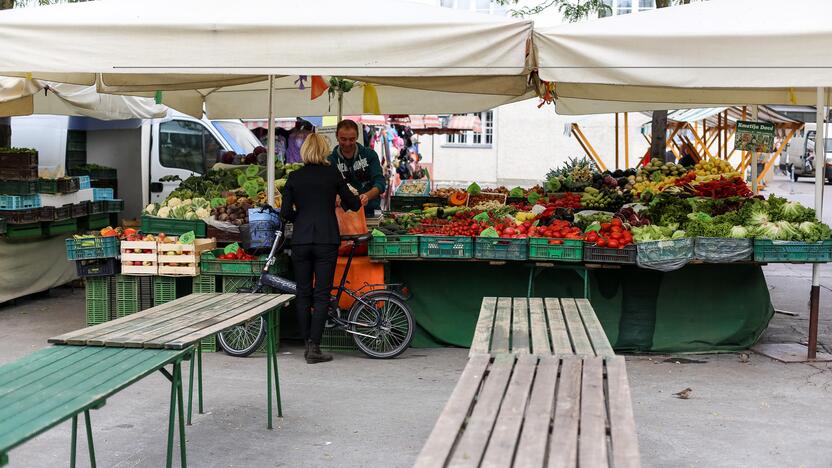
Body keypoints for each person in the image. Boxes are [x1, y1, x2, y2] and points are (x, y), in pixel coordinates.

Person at [281, 133, 361, 364]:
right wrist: (346, 200)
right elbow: (352, 203)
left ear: (305, 151)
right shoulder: (332, 174)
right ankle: (315, 347)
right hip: (327, 239)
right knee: (322, 293)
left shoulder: (294, 177)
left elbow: (285, 213)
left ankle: (306, 343)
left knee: (303, 292)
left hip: (301, 240)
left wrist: (301, 218)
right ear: (325, 150)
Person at [328, 119, 387, 215]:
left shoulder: (369, 155)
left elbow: (380, 182)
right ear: (337, 136)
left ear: (357, 137)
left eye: (351, 139)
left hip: (370, 211)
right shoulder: (330, 160)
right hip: (343, 214)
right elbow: (327, 187)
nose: (347, 143)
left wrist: (367, 196)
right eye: (343, 139)